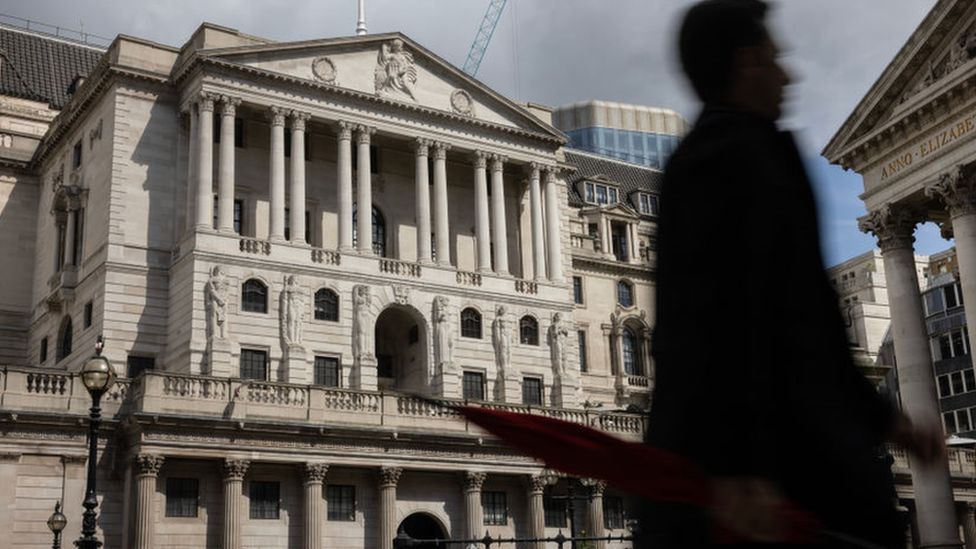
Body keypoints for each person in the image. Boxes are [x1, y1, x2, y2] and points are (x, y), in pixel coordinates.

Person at [641, 1, 944, 547]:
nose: (789, 73)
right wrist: (737, 469)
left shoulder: (714, 158)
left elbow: (809, 322)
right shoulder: (729, 161)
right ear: (747, 63)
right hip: (781, 464)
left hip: (778, 455)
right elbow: (717, 327)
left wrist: (887, 421)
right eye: (775, 57)